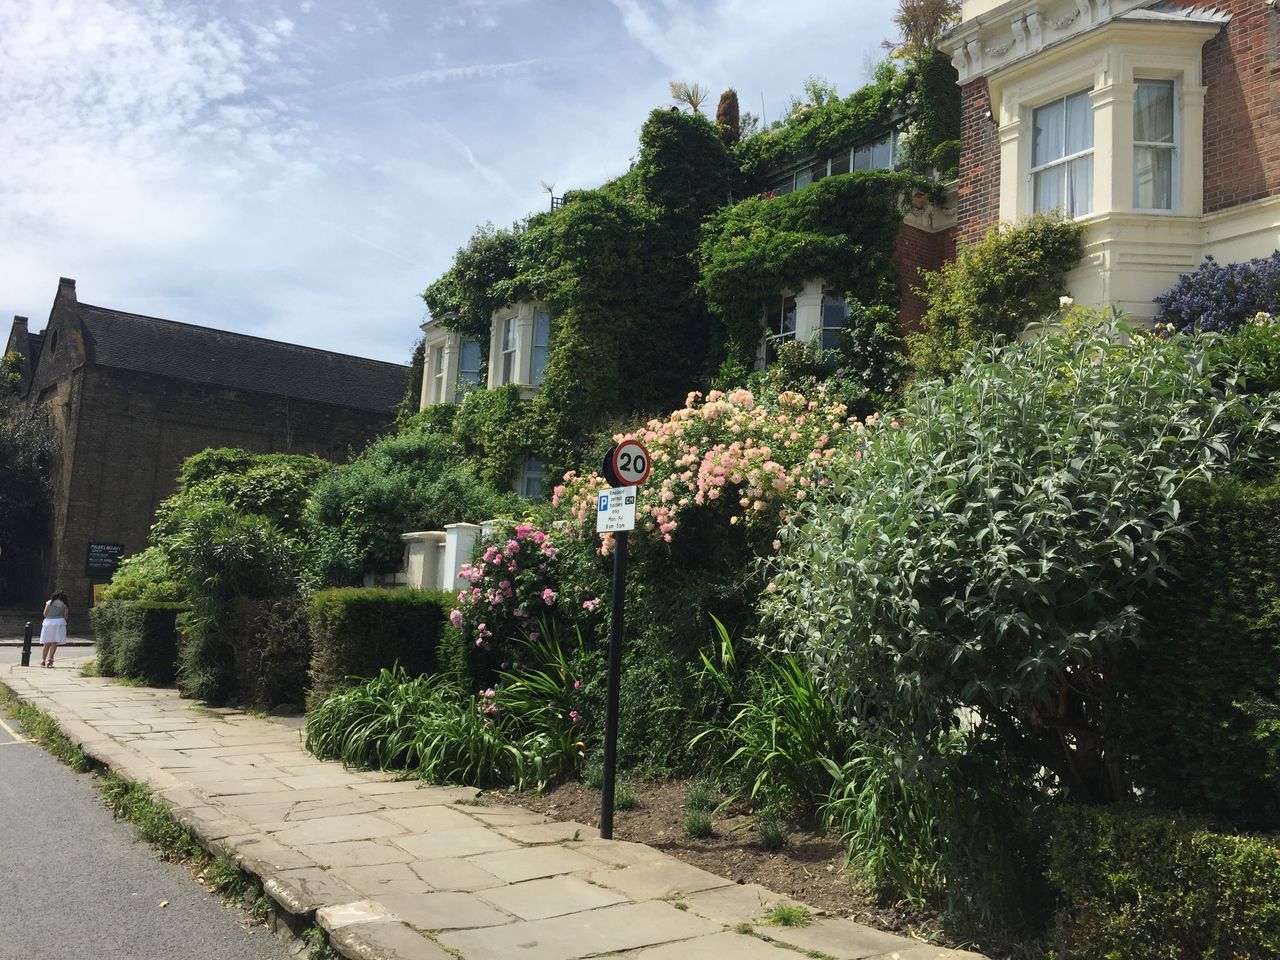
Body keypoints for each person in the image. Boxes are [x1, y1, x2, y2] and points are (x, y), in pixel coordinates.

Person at [40, 591, 69, 668]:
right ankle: (50, 658)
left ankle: (43, 660)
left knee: (46, 642)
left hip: (48, 623)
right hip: (59, 623)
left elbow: (45, 614)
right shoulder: (64, 604)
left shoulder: (49, 602)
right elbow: (65, 616)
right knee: (54, 642)